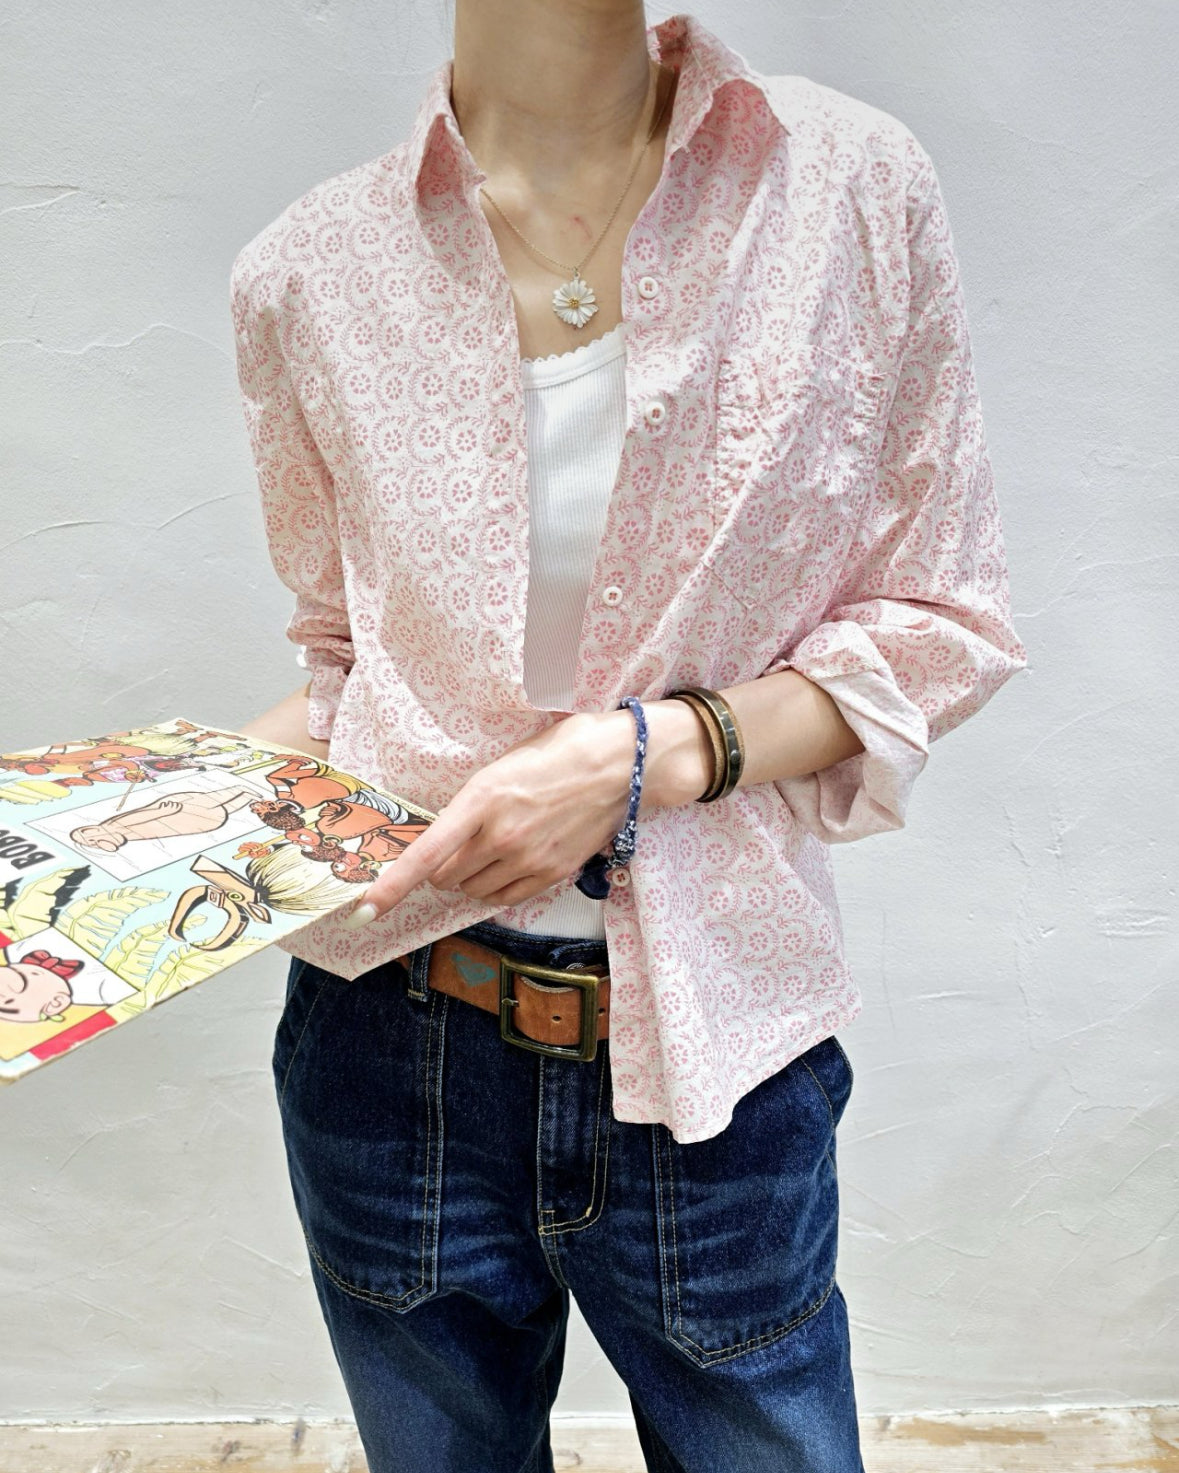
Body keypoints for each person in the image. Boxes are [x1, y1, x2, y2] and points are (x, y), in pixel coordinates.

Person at [231, 4, 1027, 1469]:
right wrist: (128, 826)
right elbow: (345, 665)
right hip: (386, 1041)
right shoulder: (305, 272)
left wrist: (646, 756)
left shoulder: (845, 187)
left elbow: (941, 616)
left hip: (716, 1046)